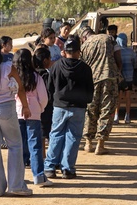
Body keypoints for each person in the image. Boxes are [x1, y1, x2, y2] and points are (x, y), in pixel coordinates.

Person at [0, 39, 33, 198]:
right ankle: (16, 185)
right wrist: (25, 106)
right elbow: (21, 89)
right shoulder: (8, 67)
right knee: (15, 145)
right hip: (6, 108)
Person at [43, 36, 93, 179]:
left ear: (65, 51)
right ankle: (67, 168)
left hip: (59, 106)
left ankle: (50, 167)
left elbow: (49, 87)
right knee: (73, 137)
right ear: (78, 52)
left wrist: (54, 100)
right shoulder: (85, 68)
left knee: (56, 135)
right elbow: (90, 90)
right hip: (78, 107)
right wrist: (86, 101)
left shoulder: (56, 66)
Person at [81, 19, 122, 155]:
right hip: (109, 77)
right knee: (107, 110)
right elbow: (118, 57)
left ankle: (88, 143)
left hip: (91, 80)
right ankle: (100, 145)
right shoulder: (108, 38)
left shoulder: (84, 45)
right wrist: (117, 71)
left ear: (83, 37)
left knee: (91, 110)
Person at [15, 49, 51, 188]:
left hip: (18, 112)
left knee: (19, 146)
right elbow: (44, 98)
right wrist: (39, 109)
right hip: (34, 113)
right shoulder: (36, 77)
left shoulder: (13, 77)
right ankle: (38, 176)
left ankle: (19, 177)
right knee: (35, 146)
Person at [32, 47, 55, 146]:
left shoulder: (32, 74)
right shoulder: (45, 75)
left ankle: (42, 156)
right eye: (50, 58)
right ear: (45, 61)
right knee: (47, 132)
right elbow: (50, 91)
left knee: (39, 132)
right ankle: (45, 156)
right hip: (46, 107)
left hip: (33, 107)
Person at [114, 31, 135, 125]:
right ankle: (127, 116)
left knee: (118, 97)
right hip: (129, 76)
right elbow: (135, 63)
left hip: (119, 77)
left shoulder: (116, 51)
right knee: (128, 97)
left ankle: (116, 116)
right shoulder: (131, 51)